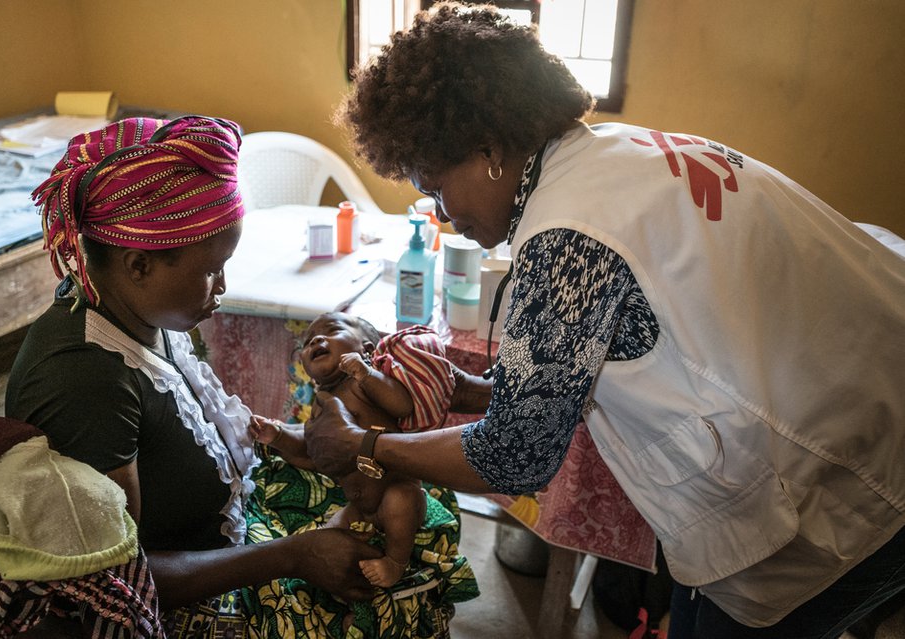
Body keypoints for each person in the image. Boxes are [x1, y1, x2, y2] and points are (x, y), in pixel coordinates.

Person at [303, 3, 905, 638]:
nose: (443, 213)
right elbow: (631, 336)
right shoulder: (615, 153)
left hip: (851, 470)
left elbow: (515, 457)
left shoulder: (567, 239)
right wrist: (483, 391)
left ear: (487, 151)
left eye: (434, 186)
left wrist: (365, 446)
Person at [5, 115, 475, 638]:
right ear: (138, 266)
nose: (222, 286)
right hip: (176, 604)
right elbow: (118, 582)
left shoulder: (130, 310)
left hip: (232, 517)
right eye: (211, 270)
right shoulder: (83, 382)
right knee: (392, 606)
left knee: (417, 506)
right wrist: (292, 556)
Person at [250, 312, 456, 587]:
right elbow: (312, 451)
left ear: (367, 350)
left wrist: (367, 373)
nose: (317, 340)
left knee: (401, 501)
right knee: (325, 538)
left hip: (394, 491)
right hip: (357, 506)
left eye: (332, 330)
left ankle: (396, 562)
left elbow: (402, 405)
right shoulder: (322, 401)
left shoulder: (364, 383)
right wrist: (277, 436)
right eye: (308, 341)